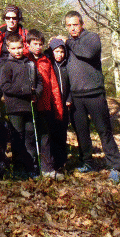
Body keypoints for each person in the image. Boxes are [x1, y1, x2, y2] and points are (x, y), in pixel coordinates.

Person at [64, 11, 120, 183]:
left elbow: (87, 53)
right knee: (81, 132)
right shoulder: (67, 44)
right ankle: (88, 162)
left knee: (104, 131)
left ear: (82, 24)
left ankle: (115, 167)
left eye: (75, 24)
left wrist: (67, 42)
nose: (72, 28)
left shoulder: (92, 38)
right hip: (76, 96)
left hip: (94, 94)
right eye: (69, 25)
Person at [0, 5, 29, 173]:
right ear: (4, 19)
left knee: (17, 114)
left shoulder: (24, 34)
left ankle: (20, 159)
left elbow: (28, 51)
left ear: (18, 19)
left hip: (17, 71)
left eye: (14, 18)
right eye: (8, 18)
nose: (11, 21)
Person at [0, 33, 43, 179]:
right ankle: (18, 169)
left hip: (29, 107)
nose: (17, 51)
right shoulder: (7, 65)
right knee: (17, 138)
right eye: (13, 48)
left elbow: (39, 82)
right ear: (8, 49)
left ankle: (31, 166)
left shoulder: (30, 63)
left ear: (23, 46)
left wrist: (36, 94)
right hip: (14, 108)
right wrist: (24, 90)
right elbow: (5, 86)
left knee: (30, 137)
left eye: (19, 48)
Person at [27, 29, 64, 180]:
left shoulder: (46, 61)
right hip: (28, 105)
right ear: (28, 44)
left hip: (45, 104)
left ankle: (48, 168)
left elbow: (54, 86)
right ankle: (32, 168)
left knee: (45, 137)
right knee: (30, 137)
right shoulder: (24, 59)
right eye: (34, 44)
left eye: (40, 44)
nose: (38, 47)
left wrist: (58, 108)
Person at [47, 37, 71, 172]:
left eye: (62, 52)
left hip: (65, 104)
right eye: (56, 51)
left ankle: (62, 160)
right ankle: (53, 161)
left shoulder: (66, 66)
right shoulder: (49, 65)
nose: (59, 55)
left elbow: (72, 85)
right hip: (52, 105)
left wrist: (69, 98)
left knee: (62, 132)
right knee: (52, 133)